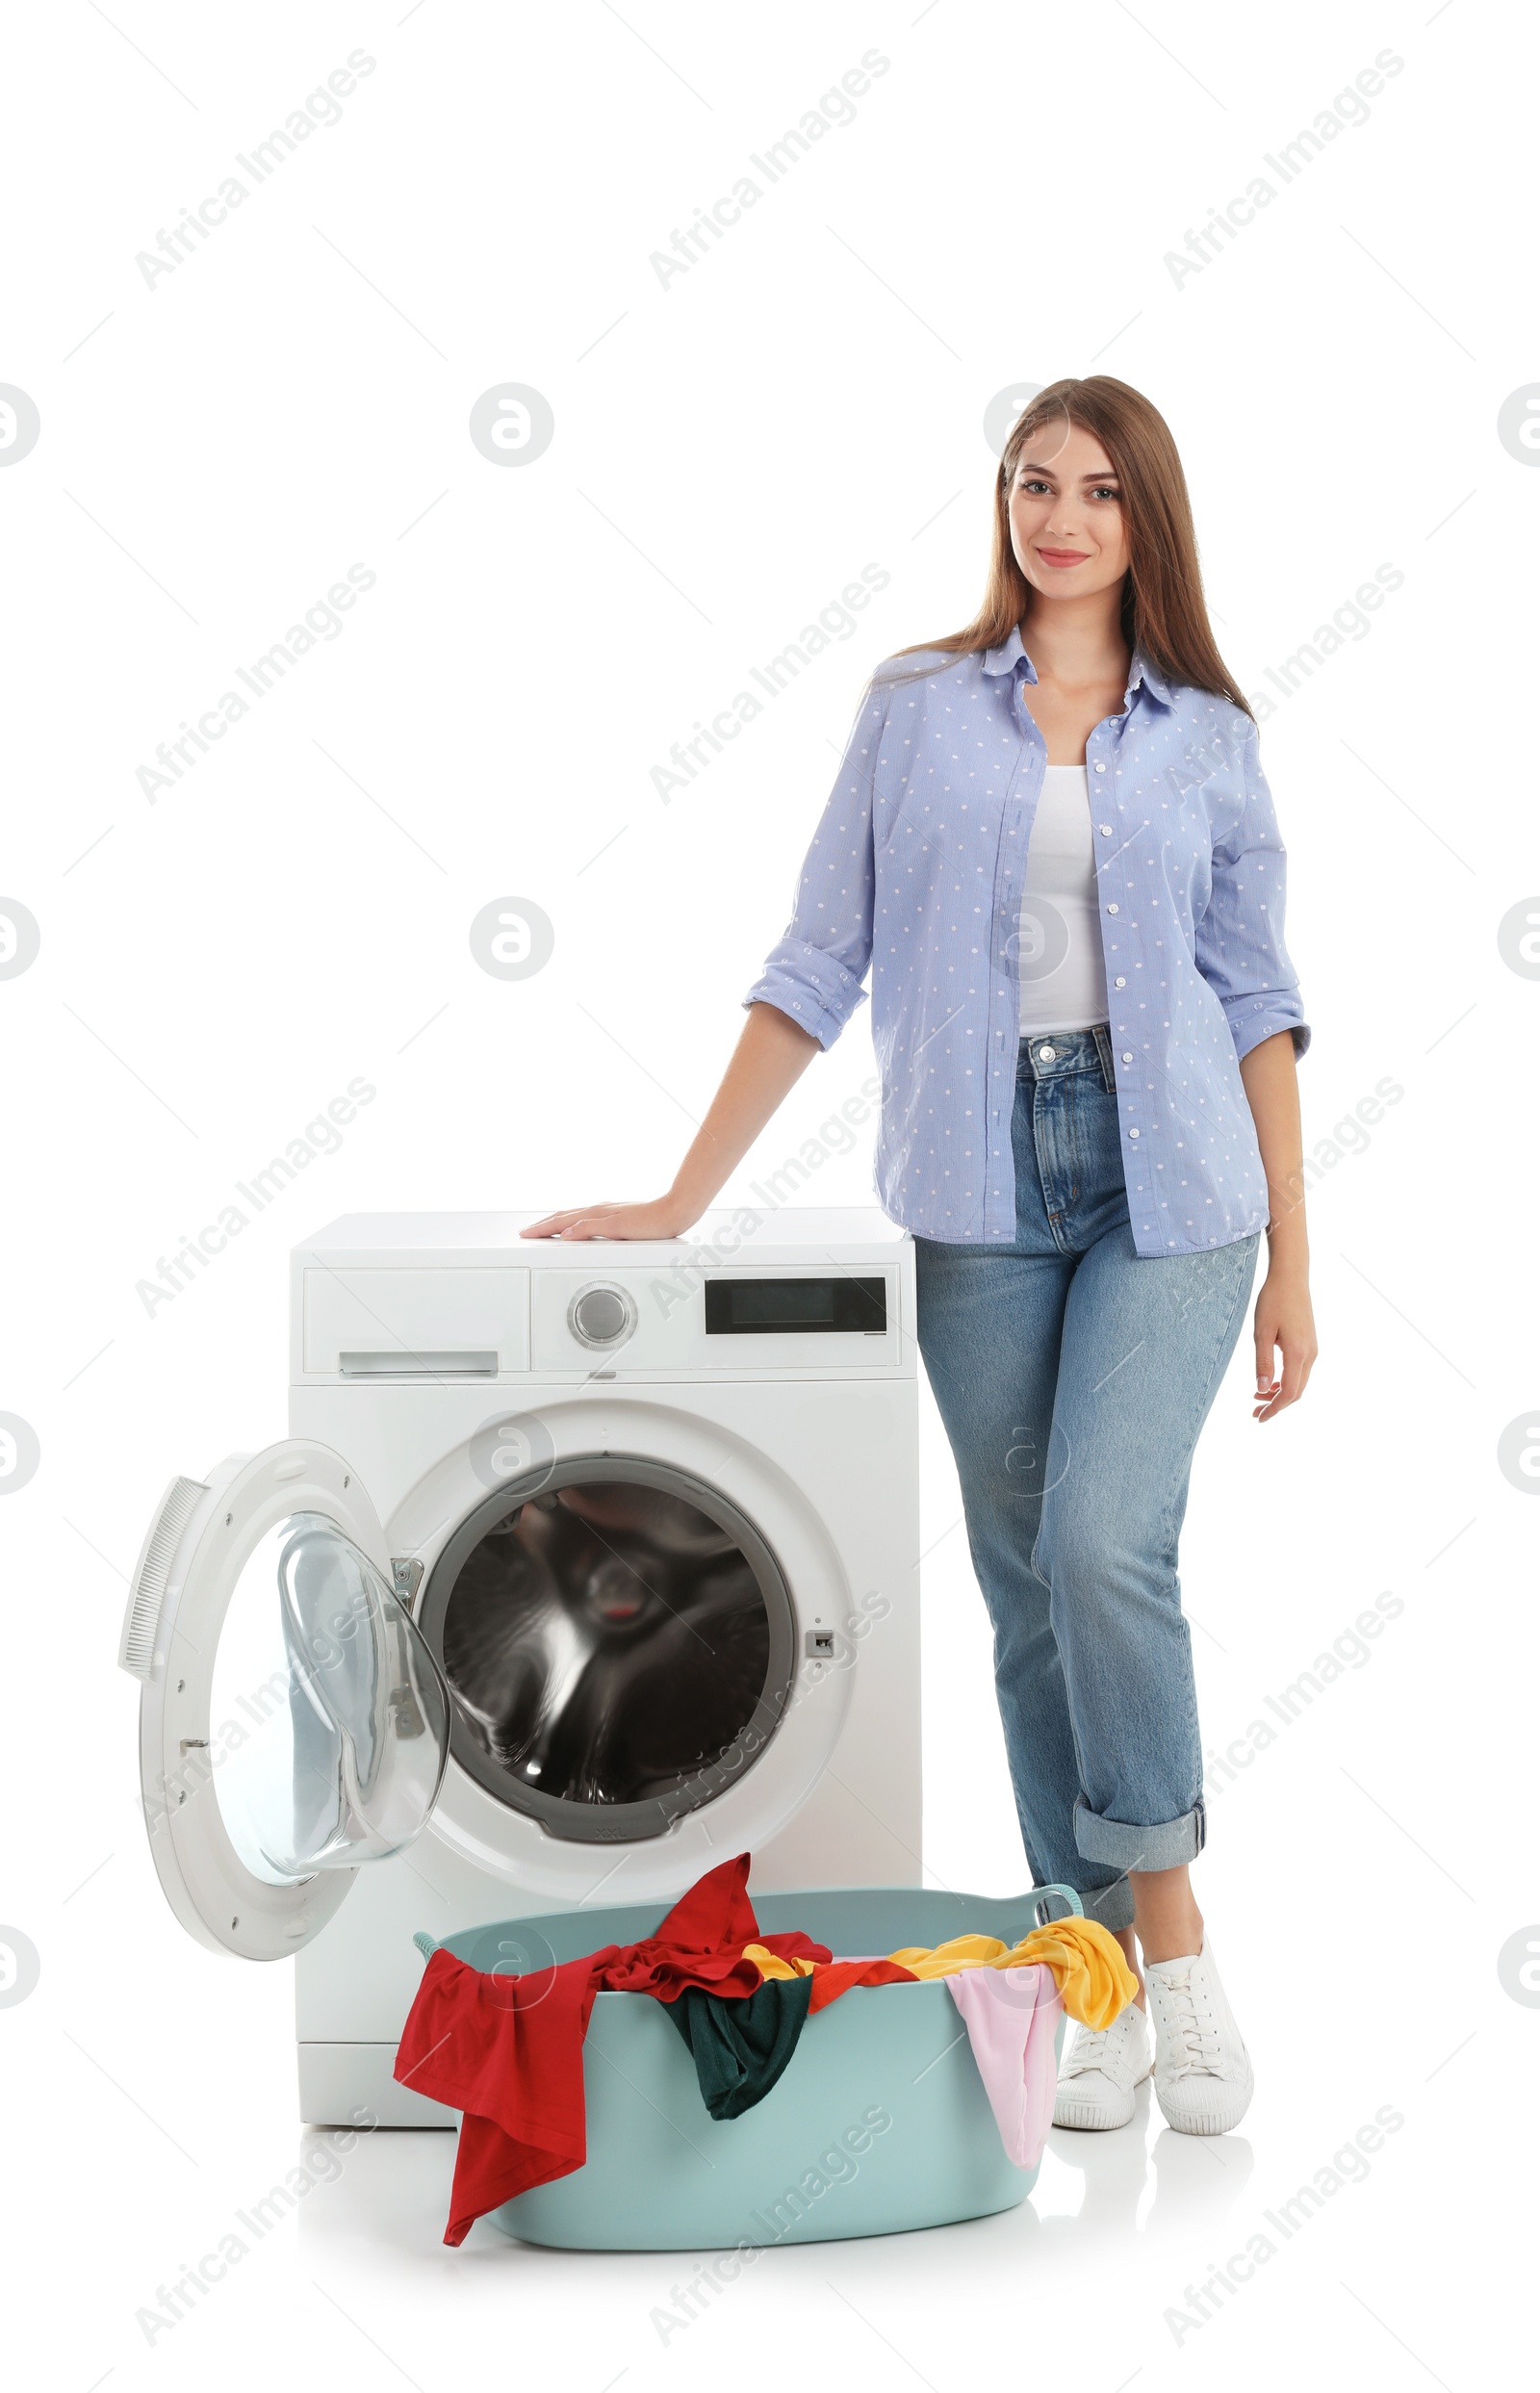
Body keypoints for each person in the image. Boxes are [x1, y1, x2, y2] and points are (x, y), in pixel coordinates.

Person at [524, 376, 1315, 2138]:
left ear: (1147, 520)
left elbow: (1257, 1001)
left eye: (1098, 492)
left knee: (1110, 1541)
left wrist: (1298, 1259)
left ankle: (1171, 1956)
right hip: (977, 1191)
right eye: (1033, 484)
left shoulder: (1206, 736)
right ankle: (1079, 1965)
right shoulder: (916, 711)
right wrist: (676, 1195)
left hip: (1170, 1183)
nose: (1058, 518)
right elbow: (821, 952)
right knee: (1027, 1582)